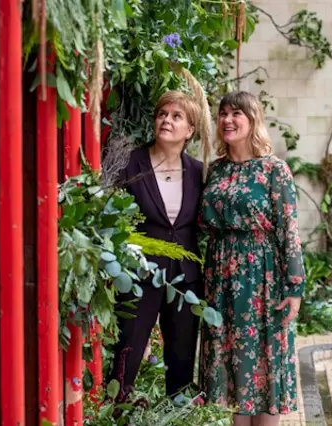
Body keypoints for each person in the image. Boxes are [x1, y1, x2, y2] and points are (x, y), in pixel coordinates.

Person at [198, 91, 306, 426]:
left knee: (263, 363)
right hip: (221, 277)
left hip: (262, 278)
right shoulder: (214, 170)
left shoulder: (275, 170)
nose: (228, 120)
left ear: (252, 119)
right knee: (233, 367)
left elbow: (289, 228)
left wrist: (295, 287)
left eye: (236, 114)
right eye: (223, 114)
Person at [109, 90, 206, 400]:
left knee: (181, 358)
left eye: (177, 116)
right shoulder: (130, 162)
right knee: (128, 351)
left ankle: (178, 412)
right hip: (139, 274)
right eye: (163, 114)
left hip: (185, 277)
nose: (167, 120)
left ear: (190, 130)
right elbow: (110, 212)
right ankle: (118, 410)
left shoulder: (198, 171)